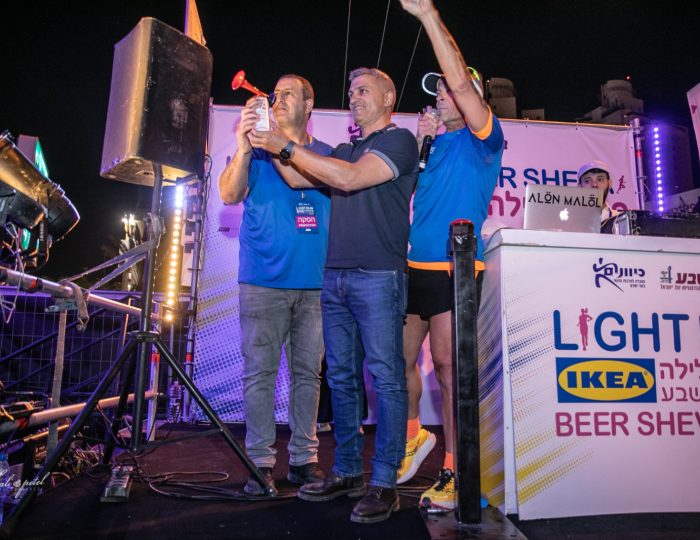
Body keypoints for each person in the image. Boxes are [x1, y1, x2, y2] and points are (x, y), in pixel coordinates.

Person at [248, 67, 418, 524]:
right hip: (336, 276)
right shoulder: (344, 149)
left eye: (363, 90)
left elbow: (349, 179)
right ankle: (346, 471)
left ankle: (385, 482)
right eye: (350, 91)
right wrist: (269, 140)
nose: (354, 97)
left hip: (379, 275)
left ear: (388, 97)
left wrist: (283, 145)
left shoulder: (399, 141)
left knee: (386, 377)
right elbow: (297, 179)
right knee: (341, 377)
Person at [397, 0, 505, 514]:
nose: (441, 93)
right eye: (436, 89)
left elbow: (461, 83)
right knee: (395, 361)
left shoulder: (484, 140)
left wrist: (428, 16)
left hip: (454, 268)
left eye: (448, 88)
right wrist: (421, 147)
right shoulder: (433, 145)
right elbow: (408, 200)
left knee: (447, 368)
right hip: (413, 267)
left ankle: (458, 472)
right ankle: (414, 436)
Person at [218, 74, 331, 496]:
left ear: (308, 103)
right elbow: (229, 194)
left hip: (316, 286)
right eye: (274, 94)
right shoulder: (256, 152)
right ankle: (260, 462)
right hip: (262, 283)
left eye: (287, 94)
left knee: (308, 376)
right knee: (260, 375)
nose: (276, 99)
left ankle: (304, 460)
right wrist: (245, 146)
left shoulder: (326, 155)